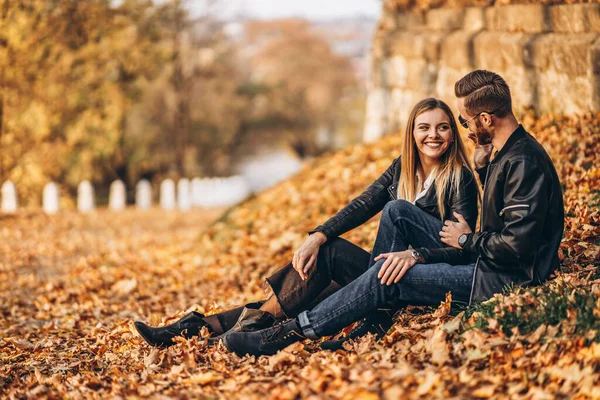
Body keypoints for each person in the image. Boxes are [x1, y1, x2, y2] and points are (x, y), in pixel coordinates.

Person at [221, 70, 565, 357]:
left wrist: (460, 240)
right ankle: (336, 314)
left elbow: (516, 245)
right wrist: (319, 233)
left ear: (486, 119)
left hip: (497, 279)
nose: (465, 130)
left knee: (388, 273)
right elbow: (365, 203)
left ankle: (289, 335)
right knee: (394, 215)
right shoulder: (503, 155)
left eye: (461, 122)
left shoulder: (522, 161)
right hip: (486, 267)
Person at [134, 98, 479, 350]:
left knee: (386, 220)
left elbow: (459, 251)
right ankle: (201, 327)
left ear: (452, 133)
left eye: (442, 127)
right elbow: (361, 205)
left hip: (410, 280)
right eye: (424, 127)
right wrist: (317, 235)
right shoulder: (403, 167)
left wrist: (416, 254)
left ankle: (234, 329)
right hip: (382, 270)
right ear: (412, 132)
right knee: (322, 259)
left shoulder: (459, 179)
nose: (433, 135)